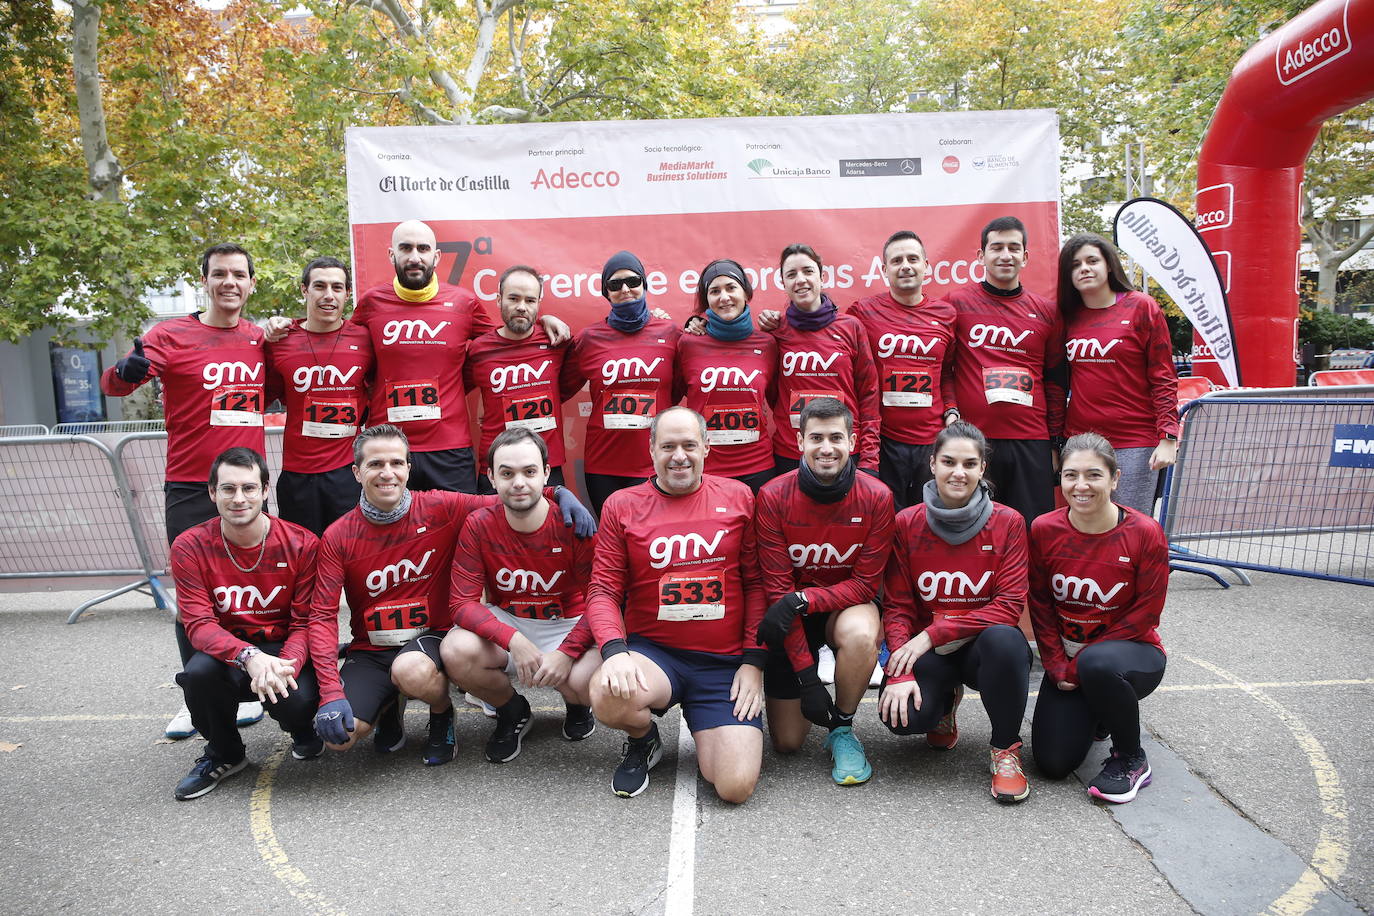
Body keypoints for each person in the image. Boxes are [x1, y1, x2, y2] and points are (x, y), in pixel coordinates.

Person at [308, 424, 595, 766]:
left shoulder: (441, 507)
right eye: (375, 464)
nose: (387, 473)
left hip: (430, 639)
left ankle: (442, 712)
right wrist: (329, 693)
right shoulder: (337, 536)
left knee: (420, 666)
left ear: (408, 468)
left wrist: (559, 493)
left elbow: (514, 494)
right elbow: (322, 616)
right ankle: (393, 704)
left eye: (397, 463)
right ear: (357, 472)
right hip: (373, 647)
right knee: (341, 738)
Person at [100, 242, 267, 739]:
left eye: (239, 274)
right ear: (206, 281)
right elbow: (115, 384)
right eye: (220, 274)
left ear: (251, 284)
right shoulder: (170, 334)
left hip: (250, 487)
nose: (230, 282)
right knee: (195, 592)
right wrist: (123, 372)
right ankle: (197, 695)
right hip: (191, 485)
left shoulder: (260, 338)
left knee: (249, 589)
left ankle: (246, 687)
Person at [586, 406, 765, 802]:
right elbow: (603, 591)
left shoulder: (739, 498)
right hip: (657, 656)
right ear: (651, 451)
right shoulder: (621, 505)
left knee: (734, 787)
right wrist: (614, 652)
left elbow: (756, 585)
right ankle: (643, 738)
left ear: (706, 448)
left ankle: (709, 725)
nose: (679, 455)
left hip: (724, 664)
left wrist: (754, 663)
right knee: (605, 691)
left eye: (688, 445)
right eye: (668, 446)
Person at [344, 219, 568, 493]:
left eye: (423, 248)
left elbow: (507, 339)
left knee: (457, 530)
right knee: (389, 530)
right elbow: (344, 352)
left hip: (450, 448)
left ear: (436, 256)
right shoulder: (371, 302)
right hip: (389, 447)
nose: (415, 257)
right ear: (392, 254)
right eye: (406, 248)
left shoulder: (464, 303)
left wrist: (542, 319)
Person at [878, 421, 1033, 803]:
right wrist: (901, 670)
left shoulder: (1009, 522)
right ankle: (944, 704)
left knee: (1007, 641)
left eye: (969, 463)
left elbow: (1008, 607)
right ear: (933, 464)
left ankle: (1004, 750)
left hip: (983, 649)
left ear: (982, 468)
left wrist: (933, 632)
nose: (958, 472)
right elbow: (897, 604)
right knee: (902, 720)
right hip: (931, 652)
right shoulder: (906, 523)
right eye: (949, 461)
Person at [754, 398, 893, 785]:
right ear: (799, 442)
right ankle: (812, 693)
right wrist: (808, 679)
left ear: (853, 442)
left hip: (842, 609)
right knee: (787, 743)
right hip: (791, 618)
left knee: (863, 633)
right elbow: (780, 593)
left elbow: (866, 584)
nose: (826, 447)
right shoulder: (772, 496)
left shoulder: (878, 496)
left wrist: (807, 598)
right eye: (816, 437)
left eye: (836, 437)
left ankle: (843, 728)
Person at [168, 447, 321, 800]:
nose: (239, 498)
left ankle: (300, 728)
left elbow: (305, 623)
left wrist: (286, 666)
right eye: (228, 489)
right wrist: (249, 656)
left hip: (284, 650)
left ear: (266, 490)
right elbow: (199, 624)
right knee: (198, 674)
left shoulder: (302, 543)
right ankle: (225, 753)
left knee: (298, 701)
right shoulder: (189, 546)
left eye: (249, 488)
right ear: (212, 493)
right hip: (231, 652)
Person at [442, 428, 600, 763]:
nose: (518, 483)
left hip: (566, 623)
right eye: (507, 473)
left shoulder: (573, 523)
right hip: (512, 620)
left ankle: (576, 705)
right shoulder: (478, 524)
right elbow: (461, 602)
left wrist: (568, 652)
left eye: (529, 472)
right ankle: (511, 710)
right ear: (491, 477)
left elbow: (602, 601)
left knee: (594, 682)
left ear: (545, 472)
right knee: (455, 649)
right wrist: (512, 638)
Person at [1029, 433, 1168, 804]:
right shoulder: (1044, 529)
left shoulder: (1144, 532)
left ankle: (1131, 758)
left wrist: (1077, 667)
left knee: (1098, 663)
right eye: (1071, 475)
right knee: (1053, 763)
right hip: (1072, 660)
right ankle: (1101, 714)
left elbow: (1147, 612)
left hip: (1131, 655)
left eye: (1093, 475)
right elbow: (1040, 602)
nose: (1081, 485)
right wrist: (1056, 664)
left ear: (1115, 479)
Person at [945, 216, 1067, 526]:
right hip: (975, 442)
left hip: (1032, 441)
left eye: (1014, 248)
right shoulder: (955, 304)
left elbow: (1055, 382)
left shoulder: (1048, 312)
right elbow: (942, 369)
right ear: (981, 255)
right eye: (996, 247)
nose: (1005, 255)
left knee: (1032, 528)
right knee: (976, 530)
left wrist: (1055, 444)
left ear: (1025, 257)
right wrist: (951, 412)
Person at [1057, 233, 1179, 515]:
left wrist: (1168, 437)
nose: (1084, 268)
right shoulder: (1066, 317)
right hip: (1080, 441)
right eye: (1075, 265)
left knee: (1130, 523)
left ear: (1109, 265)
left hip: (1134, 441)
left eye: (1092, 261)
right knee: (1084, 521)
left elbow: (1163, 376)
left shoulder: (1141, 307)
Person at [562, 251, 682, 514]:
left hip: (655, 462)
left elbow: (681, 387)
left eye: (633, 281)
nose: (625, 289)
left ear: (644, 284)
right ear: (606, 292)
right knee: (612, 541)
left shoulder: (671, 333)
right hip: (603, 465)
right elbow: (558, 387)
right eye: (615, 285)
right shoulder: (588, 339)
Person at [848, 230, 959, 510]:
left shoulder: (946, 314)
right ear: (885, 270)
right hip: (884, 442)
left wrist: (951, 408)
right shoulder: (863, 311)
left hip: (932, 441)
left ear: (926, 265)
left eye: (912, 258)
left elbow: (947, 372)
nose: (905, 265)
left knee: (928, 522)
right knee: (887, 522)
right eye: (897, 261)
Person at [264, 256, 373, 535]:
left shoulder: (365, 339)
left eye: (337, 288)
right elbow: (264, 395)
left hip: (348, 474)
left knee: (351, 556)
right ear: (304, 290)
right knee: (302, 558)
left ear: (348, 294)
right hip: (297, 475)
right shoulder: (280, 340)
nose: (329, 296)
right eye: (320, 286)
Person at [767, 244, 880, 477]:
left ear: (822, 276)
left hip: (843, 450)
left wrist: (869, 458)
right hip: (791, 453)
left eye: (808, 271)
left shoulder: (851, 327)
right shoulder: (775, 331)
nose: (800, 280)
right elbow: (771, 393)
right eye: (791, 274)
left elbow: (869, 394)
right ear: (783, 283)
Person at [463, 266, 574, 493]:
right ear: (498, 299)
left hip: (545, 468)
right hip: (496, 468)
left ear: (539, 303)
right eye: (513, 298)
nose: (521, 307)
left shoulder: (557, 341)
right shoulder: (478, 350)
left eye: (530, 300)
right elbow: (451, 388)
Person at [676, 258, 778, 493]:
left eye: (731, 288)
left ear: (745, 293)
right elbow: (672, 393)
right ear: (706, 300)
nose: (724, 297)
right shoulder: (688, 343)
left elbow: (777, 400)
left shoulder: (768, 343)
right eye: (714, 291)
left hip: (758, 465)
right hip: (707, 467)